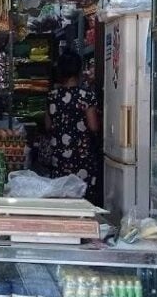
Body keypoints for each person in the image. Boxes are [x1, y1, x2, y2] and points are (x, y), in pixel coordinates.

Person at [45, 52, 102, 205]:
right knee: (82, 201)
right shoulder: (86, 95)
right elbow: (93, 126)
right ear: (78, 70)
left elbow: (48, 125)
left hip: (60, 158)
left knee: (61, 198)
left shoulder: (53, 96)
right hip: (82, 158)